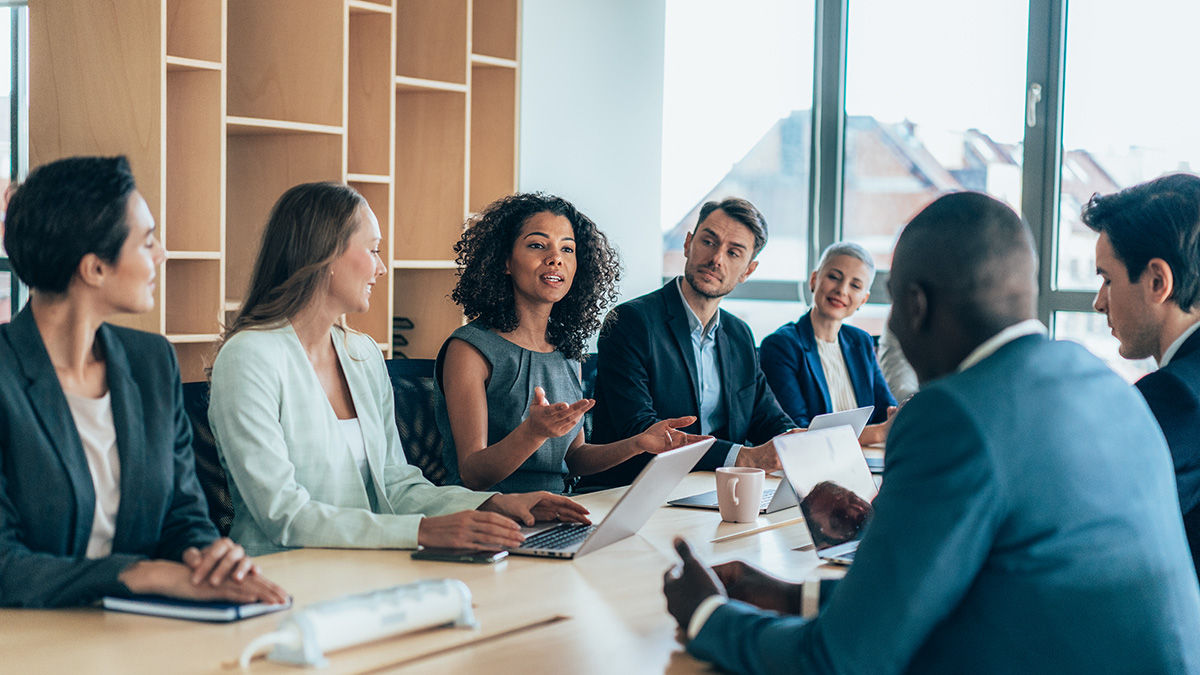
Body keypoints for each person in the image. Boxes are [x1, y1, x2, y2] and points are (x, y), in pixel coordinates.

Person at [663, 192, 1200, 673]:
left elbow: (839, 661)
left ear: (915, 306)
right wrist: (788, 595)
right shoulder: (1105, 384)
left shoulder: (951, 416)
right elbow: (981, 592)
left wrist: (706, 614)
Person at [208, 183, 589, 556]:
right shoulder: (250, 357)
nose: (382, 267)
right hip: (286, 575)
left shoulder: (361, 353)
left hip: (369, 563)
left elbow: (396, 483)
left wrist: (491, 504)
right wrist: (422, 530)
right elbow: (282, 514)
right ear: (324, 256)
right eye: (373, 251)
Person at [0, 156, 286, 607]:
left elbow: (182, 515)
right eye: (147, 241)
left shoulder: (150, 363)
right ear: (94, 268)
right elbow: (5, 565)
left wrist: (210, 557)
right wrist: (142, 574)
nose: (162, 253)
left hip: (140, 631)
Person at [437, 193, 703, 493]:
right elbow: (472, 474)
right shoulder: (469, 349)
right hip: (491, 517)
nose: (556, 258)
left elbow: (574, 459)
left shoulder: (567, 350)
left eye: (567, 249)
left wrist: (638, 444)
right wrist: (532, 433)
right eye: (537, 245)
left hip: (558, 510)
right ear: (505, 261)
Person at [587, 197, 796, 487]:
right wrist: (744, 457)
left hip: (717, 492)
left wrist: (795, 440)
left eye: (734, 253)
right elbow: (640, 430)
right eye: (709, 242)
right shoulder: (630, 322)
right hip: (636, 491)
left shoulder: (739, 335)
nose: (716, 259)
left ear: (748, 270)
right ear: (688, 244)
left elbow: (768, 419)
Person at [1085, 172, 1200, 579]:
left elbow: (1089, 522)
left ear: (1157, 281)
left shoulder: (1176, 396)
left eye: (1107, 279)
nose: (1100, 303)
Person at [759, 242, 896, 444]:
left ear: (863, 300)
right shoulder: (781, 346)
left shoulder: (861, 342)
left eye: (855, 285)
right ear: (814, 280)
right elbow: (798, 432)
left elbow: (886, 412)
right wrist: (878, 433)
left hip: (862, 460)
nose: (841, 290)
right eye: (834, 277)